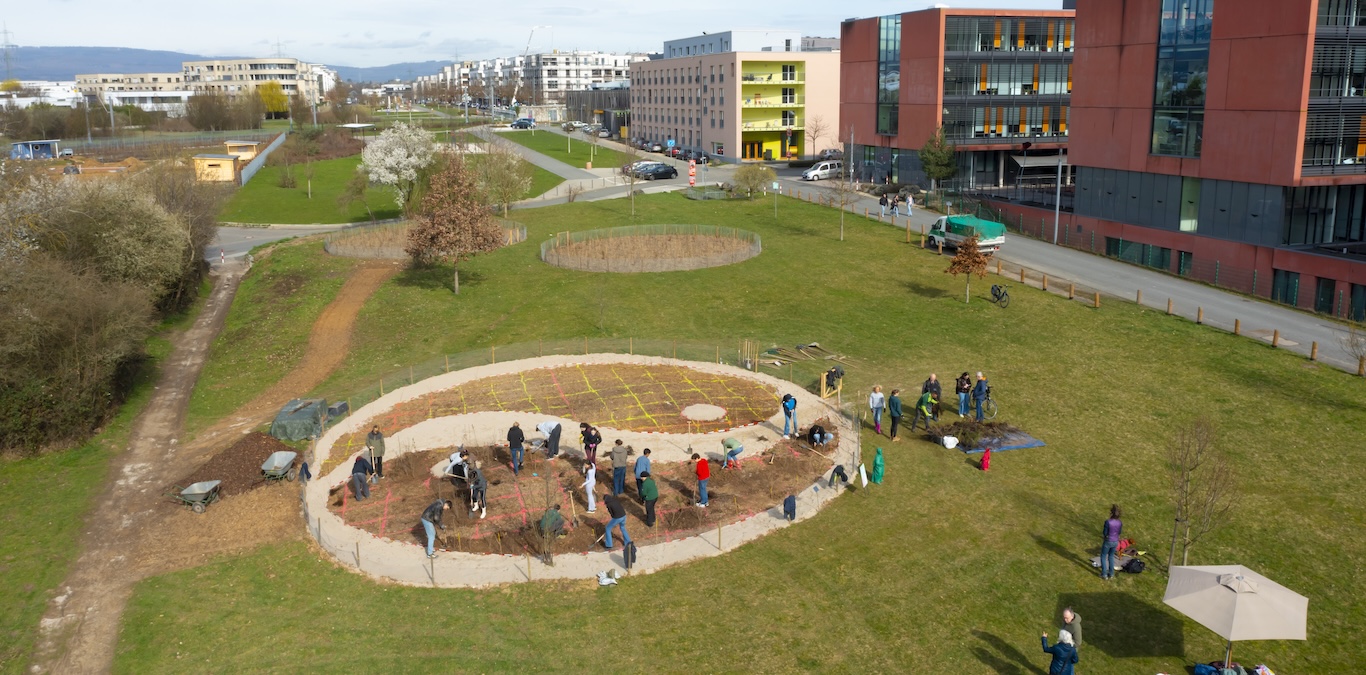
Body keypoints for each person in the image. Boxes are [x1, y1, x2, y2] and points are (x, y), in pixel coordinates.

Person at [1101, 505, 1123, 580]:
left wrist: (1105, 536)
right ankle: (1111, 573)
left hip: (1108, 541)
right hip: (1115, 541)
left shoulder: (1108, 522)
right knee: (1111, 556)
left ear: (1111, 513)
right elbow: (1119, 532)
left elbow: (1105, 532)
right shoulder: (1120, 523)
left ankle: (1104, 574)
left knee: (1103, 556)